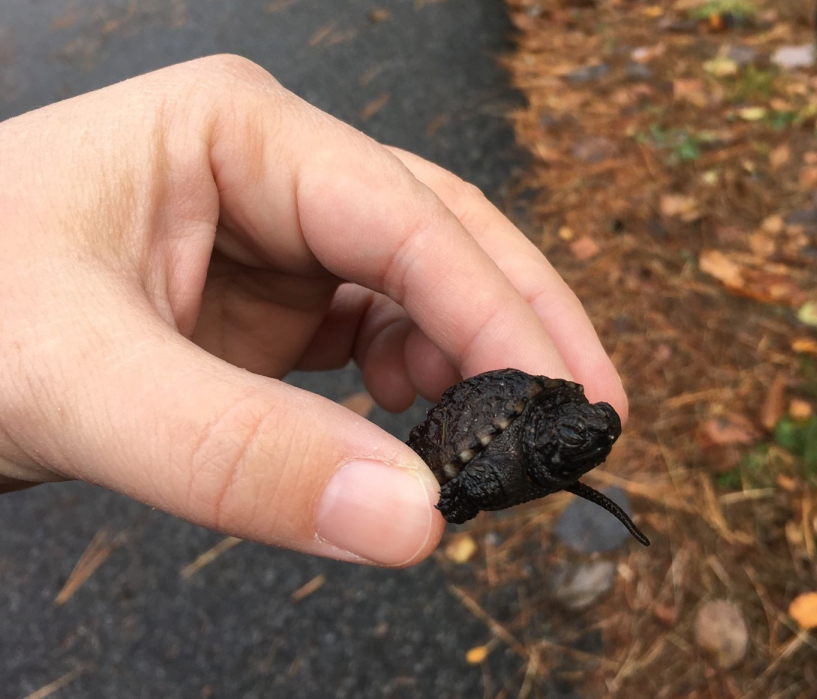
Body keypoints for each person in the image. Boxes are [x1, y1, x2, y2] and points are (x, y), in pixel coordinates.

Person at [0, 55, 627, 568]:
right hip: (476, 437)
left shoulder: (548, 425)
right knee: (472, 483)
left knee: (477, 485)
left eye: (589, 440)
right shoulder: (545, 398)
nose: (593, 427)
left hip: (489, 437)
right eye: (592, 428)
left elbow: (532, 460)